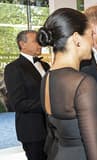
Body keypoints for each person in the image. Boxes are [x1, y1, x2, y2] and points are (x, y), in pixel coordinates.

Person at [37, 8, 97, 160]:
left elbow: (54, 135)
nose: (92, 41)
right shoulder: (82, 83)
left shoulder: (47, 77)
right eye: (90, 35)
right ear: (76, 38)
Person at [4, 30, 50, 160]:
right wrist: (48, 104)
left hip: (53, 129)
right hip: (32, 131)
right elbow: (18, 103)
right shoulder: (13, 68)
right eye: (36, 41)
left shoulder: (46, 65)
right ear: (22, 44)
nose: (40, 44)